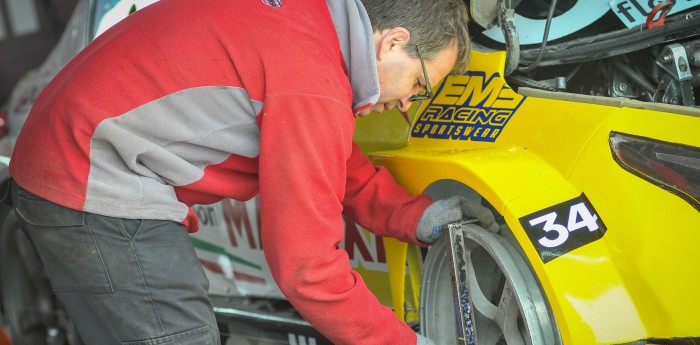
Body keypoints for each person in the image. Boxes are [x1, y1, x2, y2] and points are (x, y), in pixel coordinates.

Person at [8, 0, 498, 344]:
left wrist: (415, 216)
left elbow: (333, 162)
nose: (409, 103)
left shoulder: (311, 26)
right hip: (91, 175)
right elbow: (308, 271)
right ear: (394, 42)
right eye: (420, 82)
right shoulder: (312, 75)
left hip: (73, 156)